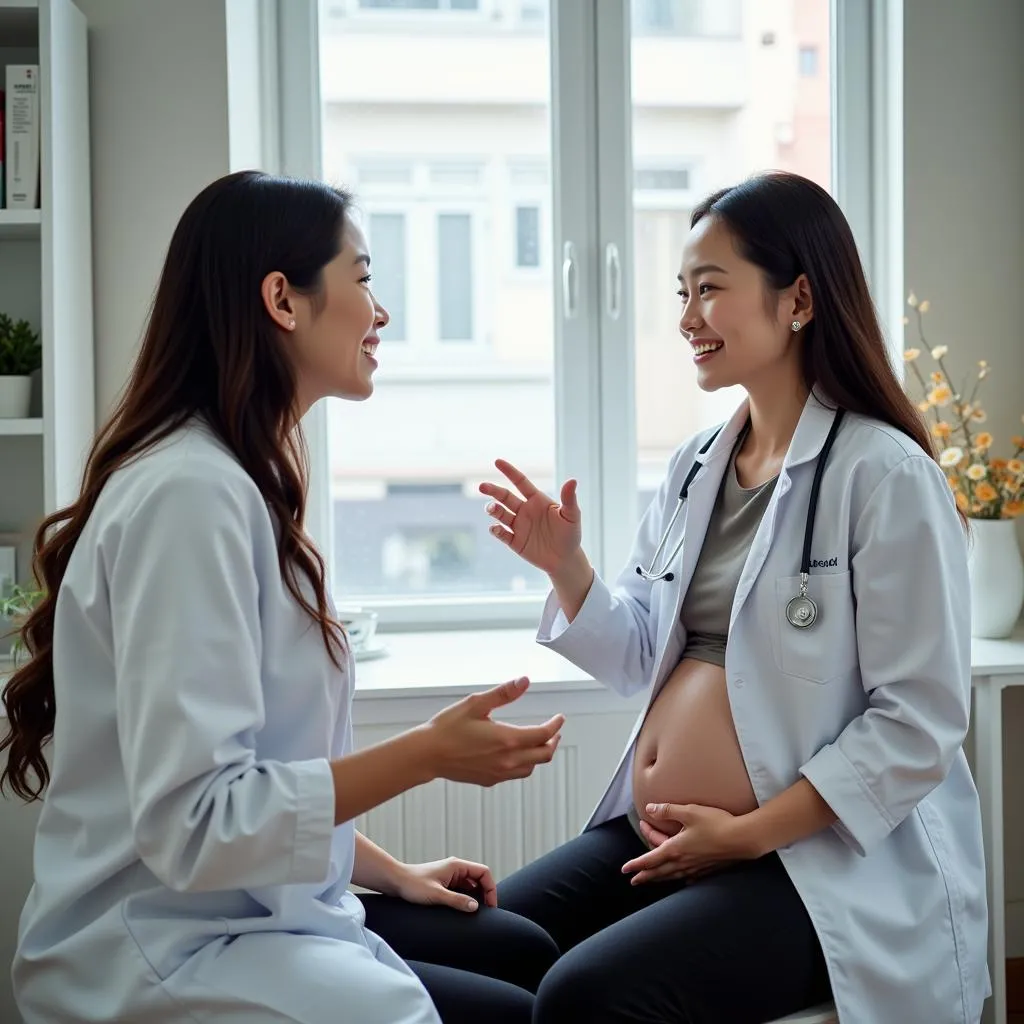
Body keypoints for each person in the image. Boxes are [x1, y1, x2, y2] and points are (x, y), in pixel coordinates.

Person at [1, 170, 562, 1024]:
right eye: (365, 278)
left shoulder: (235, 479)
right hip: (153, 947)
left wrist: (386, 871)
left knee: (520, 950)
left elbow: (255, 767)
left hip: (234, 910)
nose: (381, 312)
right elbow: (198, 820)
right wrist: (429, 753)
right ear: (283, 300)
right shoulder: (191, 496)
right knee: (517, 1007)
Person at [480, 170, 989, 1024]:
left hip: (810, 856)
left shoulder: (884, 475)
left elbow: (919, 721)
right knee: (492, 944)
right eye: (682, 293)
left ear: (797, 299)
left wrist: (745, 834)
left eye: (708, 290)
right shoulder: (694, 469)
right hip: (666, 833)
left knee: (583, 997)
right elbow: (642, 653)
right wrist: (568, 568)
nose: (685, 319)